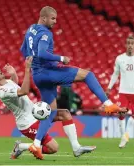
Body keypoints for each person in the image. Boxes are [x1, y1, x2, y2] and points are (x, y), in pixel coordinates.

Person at [20, 6, 120, 159]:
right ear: (44, 18)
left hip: (38, 75)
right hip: (48, 73)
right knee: (88, 75)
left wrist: (33, 66)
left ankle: (38, 144)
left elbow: (23, 50)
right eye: (53, 18)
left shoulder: (31, 29)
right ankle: (108, 104)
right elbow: (41, 52)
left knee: (52, 112)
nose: (55, 21)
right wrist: (61, 58)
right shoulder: (45, 33)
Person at [0, 57, 96, 160]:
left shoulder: (7, 82)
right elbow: (23, 91)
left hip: (36, 114)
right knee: (53, 148)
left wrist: (14, 74)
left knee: (65, 114)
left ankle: (76, 148)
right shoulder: (2, 91)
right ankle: (21, 146)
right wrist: (27, 69)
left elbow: (15, 85)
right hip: (28, 123)